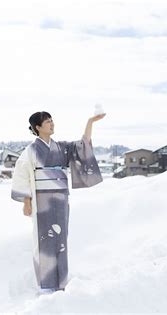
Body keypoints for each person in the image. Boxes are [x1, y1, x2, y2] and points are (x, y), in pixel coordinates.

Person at [11, 111, 106, 294]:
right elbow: (22, 175)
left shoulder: (61, 148)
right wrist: (26, 201)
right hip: (42, 200)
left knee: (61, 240)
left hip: (61, 199)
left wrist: (90, 122)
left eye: (52, 120)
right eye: (47, 122)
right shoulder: (31, 150)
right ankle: (46, 284)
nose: (52, 124)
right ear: (37, 127)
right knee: (44, 239)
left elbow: (82, 146)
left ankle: (61, 281)